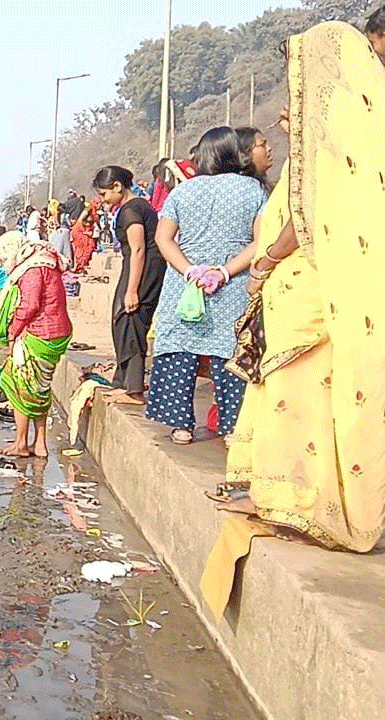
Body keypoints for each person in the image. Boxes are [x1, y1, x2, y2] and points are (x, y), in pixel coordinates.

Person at [201, 21, 385, 618]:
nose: (286, 105)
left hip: (309, 295)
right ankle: (279, 497)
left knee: (300, 397)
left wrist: (266, 262)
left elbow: (302, 223)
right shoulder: (339, 146)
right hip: (302, 293)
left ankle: (304, 505)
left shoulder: (335, 151)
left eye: (295, 89)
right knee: (287, 397)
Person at [145, 126, 267, 446]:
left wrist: (190, 271)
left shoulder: (183, 191)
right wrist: (224, 272)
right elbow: (260, 241)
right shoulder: (253, 190)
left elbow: (163, 239)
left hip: (185, 285)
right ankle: (231, 429)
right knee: (230, 353)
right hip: (233, 285)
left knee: (179, 350)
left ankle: (181, 427)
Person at [0, 232, 73, 458]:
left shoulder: (32, 269)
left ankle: (21, 443)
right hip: (56, 333)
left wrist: (12, 332)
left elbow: (29, 305)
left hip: (40, 333)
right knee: (39, 389)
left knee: (17, 384)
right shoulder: (45, 261)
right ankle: (39, 443)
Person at [93, 165, 167, 405]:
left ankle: (134, 390)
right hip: (143, 268)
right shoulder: (137, 207)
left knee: (130, 321)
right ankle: (123, 382)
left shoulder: (131, 210)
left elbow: (138, 249)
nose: (103, 200)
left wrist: (132, 290)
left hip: (144, 270)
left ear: (117, 187)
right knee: (122, 321)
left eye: (104, 194)